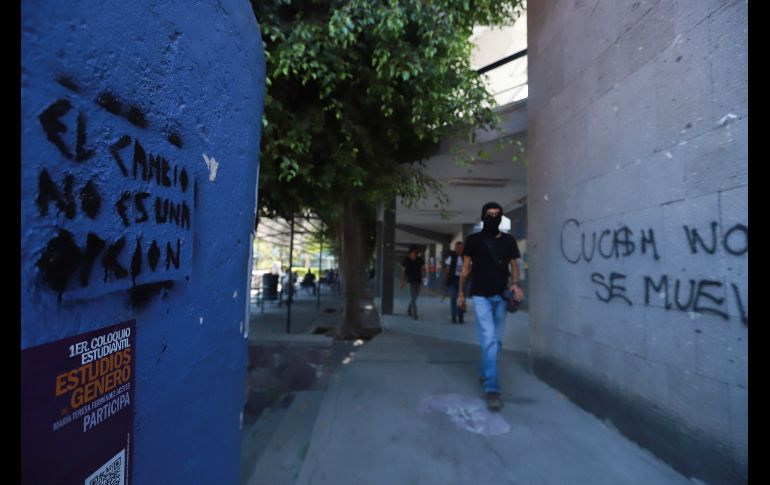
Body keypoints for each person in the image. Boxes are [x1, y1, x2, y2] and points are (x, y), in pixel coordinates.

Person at [457, 202, 524, 411]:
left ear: (501, 217)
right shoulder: (473, 240)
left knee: (497, 342)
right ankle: (492, 388)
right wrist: (460, 293)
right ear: (483, 216)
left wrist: (515, 284)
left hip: (500, 297)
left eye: (497, 215)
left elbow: (514, 266)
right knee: (489, 338)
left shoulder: (508, 240)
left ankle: (485, 371)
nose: (493, 217)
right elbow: (466, 269)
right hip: (479, 296)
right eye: (489, 214)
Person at [442, 241, 468, 324]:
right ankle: (454, 316)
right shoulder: (451, 257)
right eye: (457, 247)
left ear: (463, 248)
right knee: (453, 298)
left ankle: (461, 316)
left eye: (461, 247)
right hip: (453, 279)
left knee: (462, 298)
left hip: (463, 279)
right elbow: (447, 269)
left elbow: (469, 267)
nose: (459, 249)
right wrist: (445, 280)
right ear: (455, 248)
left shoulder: (465, 257)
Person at [400, 245, 424, 320]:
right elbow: (403, 272)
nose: (415, 254)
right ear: (410, 252)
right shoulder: (406, 260)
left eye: (416, 253)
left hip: (418, 281)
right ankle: (415, 314)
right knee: (413, 298)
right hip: (410, 281)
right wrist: (402, 281)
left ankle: (408, 309)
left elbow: (421, 270)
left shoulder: (419, 260)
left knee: (415, 297)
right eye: (413, 252)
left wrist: (422, 280)